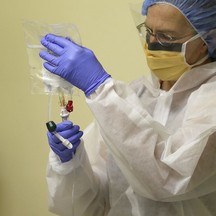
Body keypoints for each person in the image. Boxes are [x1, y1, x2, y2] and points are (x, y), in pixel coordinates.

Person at [39, 0, 216, 215]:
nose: (152, 43)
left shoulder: (210, 100)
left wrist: (101, 89)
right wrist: (72, 164)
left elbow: (167, 178)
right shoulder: (137, 95)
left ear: (208, 39)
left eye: (167, 36)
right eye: (149, 31)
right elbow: (94, 204)